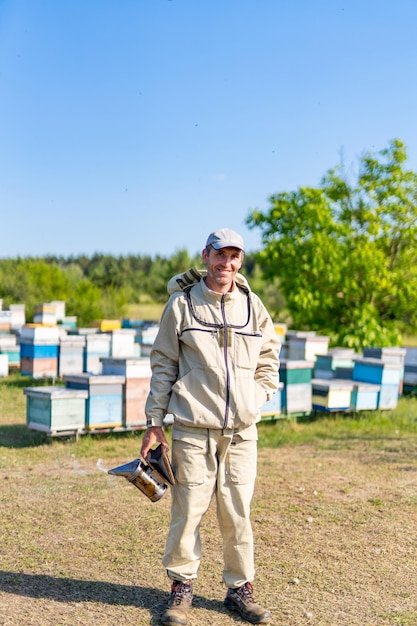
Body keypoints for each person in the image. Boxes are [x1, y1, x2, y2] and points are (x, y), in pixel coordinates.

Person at [140, 228, 281, 625]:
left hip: (241, 432)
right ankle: (181, 587)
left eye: (235, 256)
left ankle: (239, 589)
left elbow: (270, 356)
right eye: (221, 255)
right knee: (188, 511)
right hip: (192, 428)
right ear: (205, 255)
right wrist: (154, 423)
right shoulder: (181, 305)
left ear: (241, 261)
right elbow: (163, 363)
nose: (227, 264)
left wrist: (260, 393)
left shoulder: (254, 307)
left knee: (238, 512)